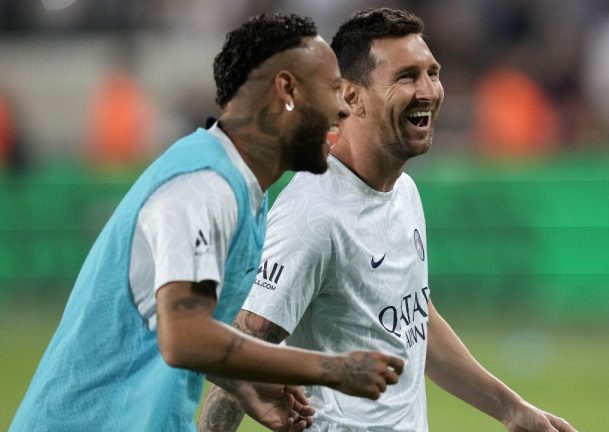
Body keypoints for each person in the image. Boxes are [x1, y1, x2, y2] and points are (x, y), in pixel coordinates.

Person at [10, 13, 404, 432]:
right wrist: (332, 369)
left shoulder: (240, 189)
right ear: (287, 89)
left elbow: (161, 325)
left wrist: (242, 381)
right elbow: (185, 336)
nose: (344, 108)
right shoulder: (202, 187)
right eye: (332, 91)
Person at [199, 8, 577, 432]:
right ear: (350, 97)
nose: (429, 91)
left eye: (432, 73)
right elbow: (239, 351)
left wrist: (511, 409)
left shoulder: (403, 191)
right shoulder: (314, 216)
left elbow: (415, 322)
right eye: (406, 77)